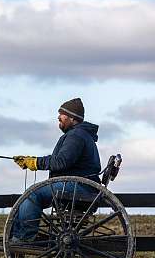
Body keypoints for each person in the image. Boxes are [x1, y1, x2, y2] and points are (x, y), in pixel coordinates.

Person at [11, 98, 101, 242]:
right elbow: (60, 159)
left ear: (72, 118)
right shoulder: (79, 135)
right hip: (81, 186)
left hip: (79, 187)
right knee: (33, 193)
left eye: (62, 115)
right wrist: (33, 160)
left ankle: (24, 237)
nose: (58, 117)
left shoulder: (76, 136)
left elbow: (60, 162)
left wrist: (35, 162)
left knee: (32, 194)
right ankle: (18, 236)